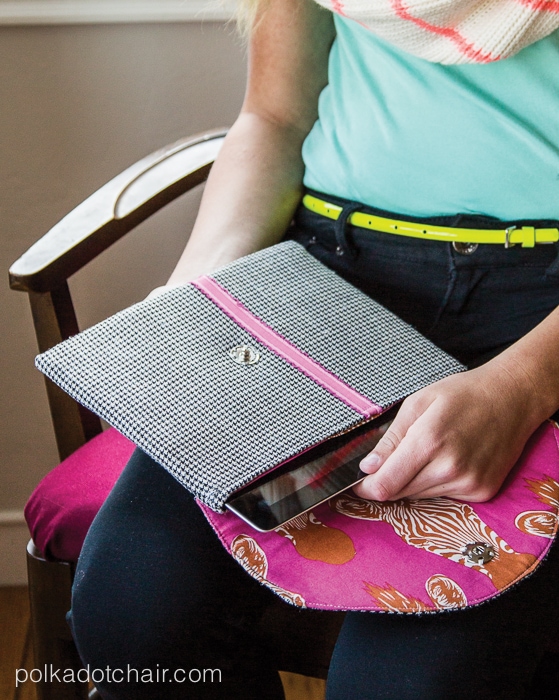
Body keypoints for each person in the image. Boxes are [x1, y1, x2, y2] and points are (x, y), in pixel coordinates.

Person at [69, 1, 559, 698]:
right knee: (131, 619)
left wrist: (523, 387)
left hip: (539, 323)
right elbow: (274, 118)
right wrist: (195, 289)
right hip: (323, 281)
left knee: (405, 686)